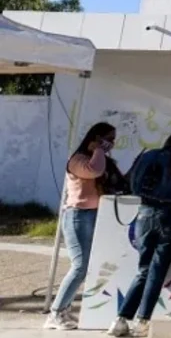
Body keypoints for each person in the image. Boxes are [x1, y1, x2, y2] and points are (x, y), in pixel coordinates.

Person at [108, 123, 171, 338]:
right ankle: (143, 321)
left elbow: (133, 184)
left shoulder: (149, 155)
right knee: (157, 271)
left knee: (143, 269)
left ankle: (120, 320)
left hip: (145, 212)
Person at [47, 122, 119, 330]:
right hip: (77, 215)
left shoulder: (102, 159)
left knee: (87, 265)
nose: (110, 144)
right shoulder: (77, 160)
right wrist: (98, 149)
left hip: (96, 214)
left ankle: (63, 309)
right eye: (108, 139)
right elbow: (93, 171)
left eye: (113, 140)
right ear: (96, 138)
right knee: (80, 266)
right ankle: (56, 312)